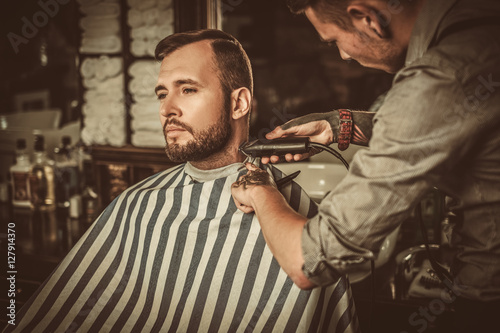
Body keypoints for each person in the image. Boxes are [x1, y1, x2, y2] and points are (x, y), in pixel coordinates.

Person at [4, 30, 359, 333]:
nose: (166, 109)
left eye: (187, 89)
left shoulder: (296, 215)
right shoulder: (137, 203)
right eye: (162, 93)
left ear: (239, 103)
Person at [231, 0, 500, 331]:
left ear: (367, 19)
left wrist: (259, 189)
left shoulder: (443, 74)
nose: (343, 55)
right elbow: (442, 119)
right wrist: (340, 125)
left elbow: (310, 261)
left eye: (334, 41)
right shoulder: (478, 29)